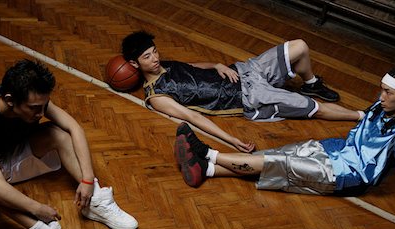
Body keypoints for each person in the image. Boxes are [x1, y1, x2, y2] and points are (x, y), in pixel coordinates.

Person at [174, 67, 395, 229]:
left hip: (347, 174)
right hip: (335, 148)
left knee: (278, 165)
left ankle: (206, 153)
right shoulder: (382, 105)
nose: (380, 96)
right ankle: (207, 169)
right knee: (275, 156)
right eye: (382, 89)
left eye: (388, 92)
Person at [0, 60, 138, 229]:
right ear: (10, 100)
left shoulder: (34, 99)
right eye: (35, 108)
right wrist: (36, 208)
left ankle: (93, 201)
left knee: (58, 134)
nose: (40, 113)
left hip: (7, 156)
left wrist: (87, 179)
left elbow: (74, 127)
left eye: (43, 106)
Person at [122, 31, 365, 153]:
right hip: (249, 97)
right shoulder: (157, 95)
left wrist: (217, 65)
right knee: (312, 107)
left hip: (245, 70)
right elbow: (194, 118)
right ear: (134, 64)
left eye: (154, 51)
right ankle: (363, 115)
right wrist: (231, 140)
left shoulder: (166, 65)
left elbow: (194, 67)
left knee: (299, 46)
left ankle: (311, 82)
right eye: (147, 56)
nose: (155, 58)